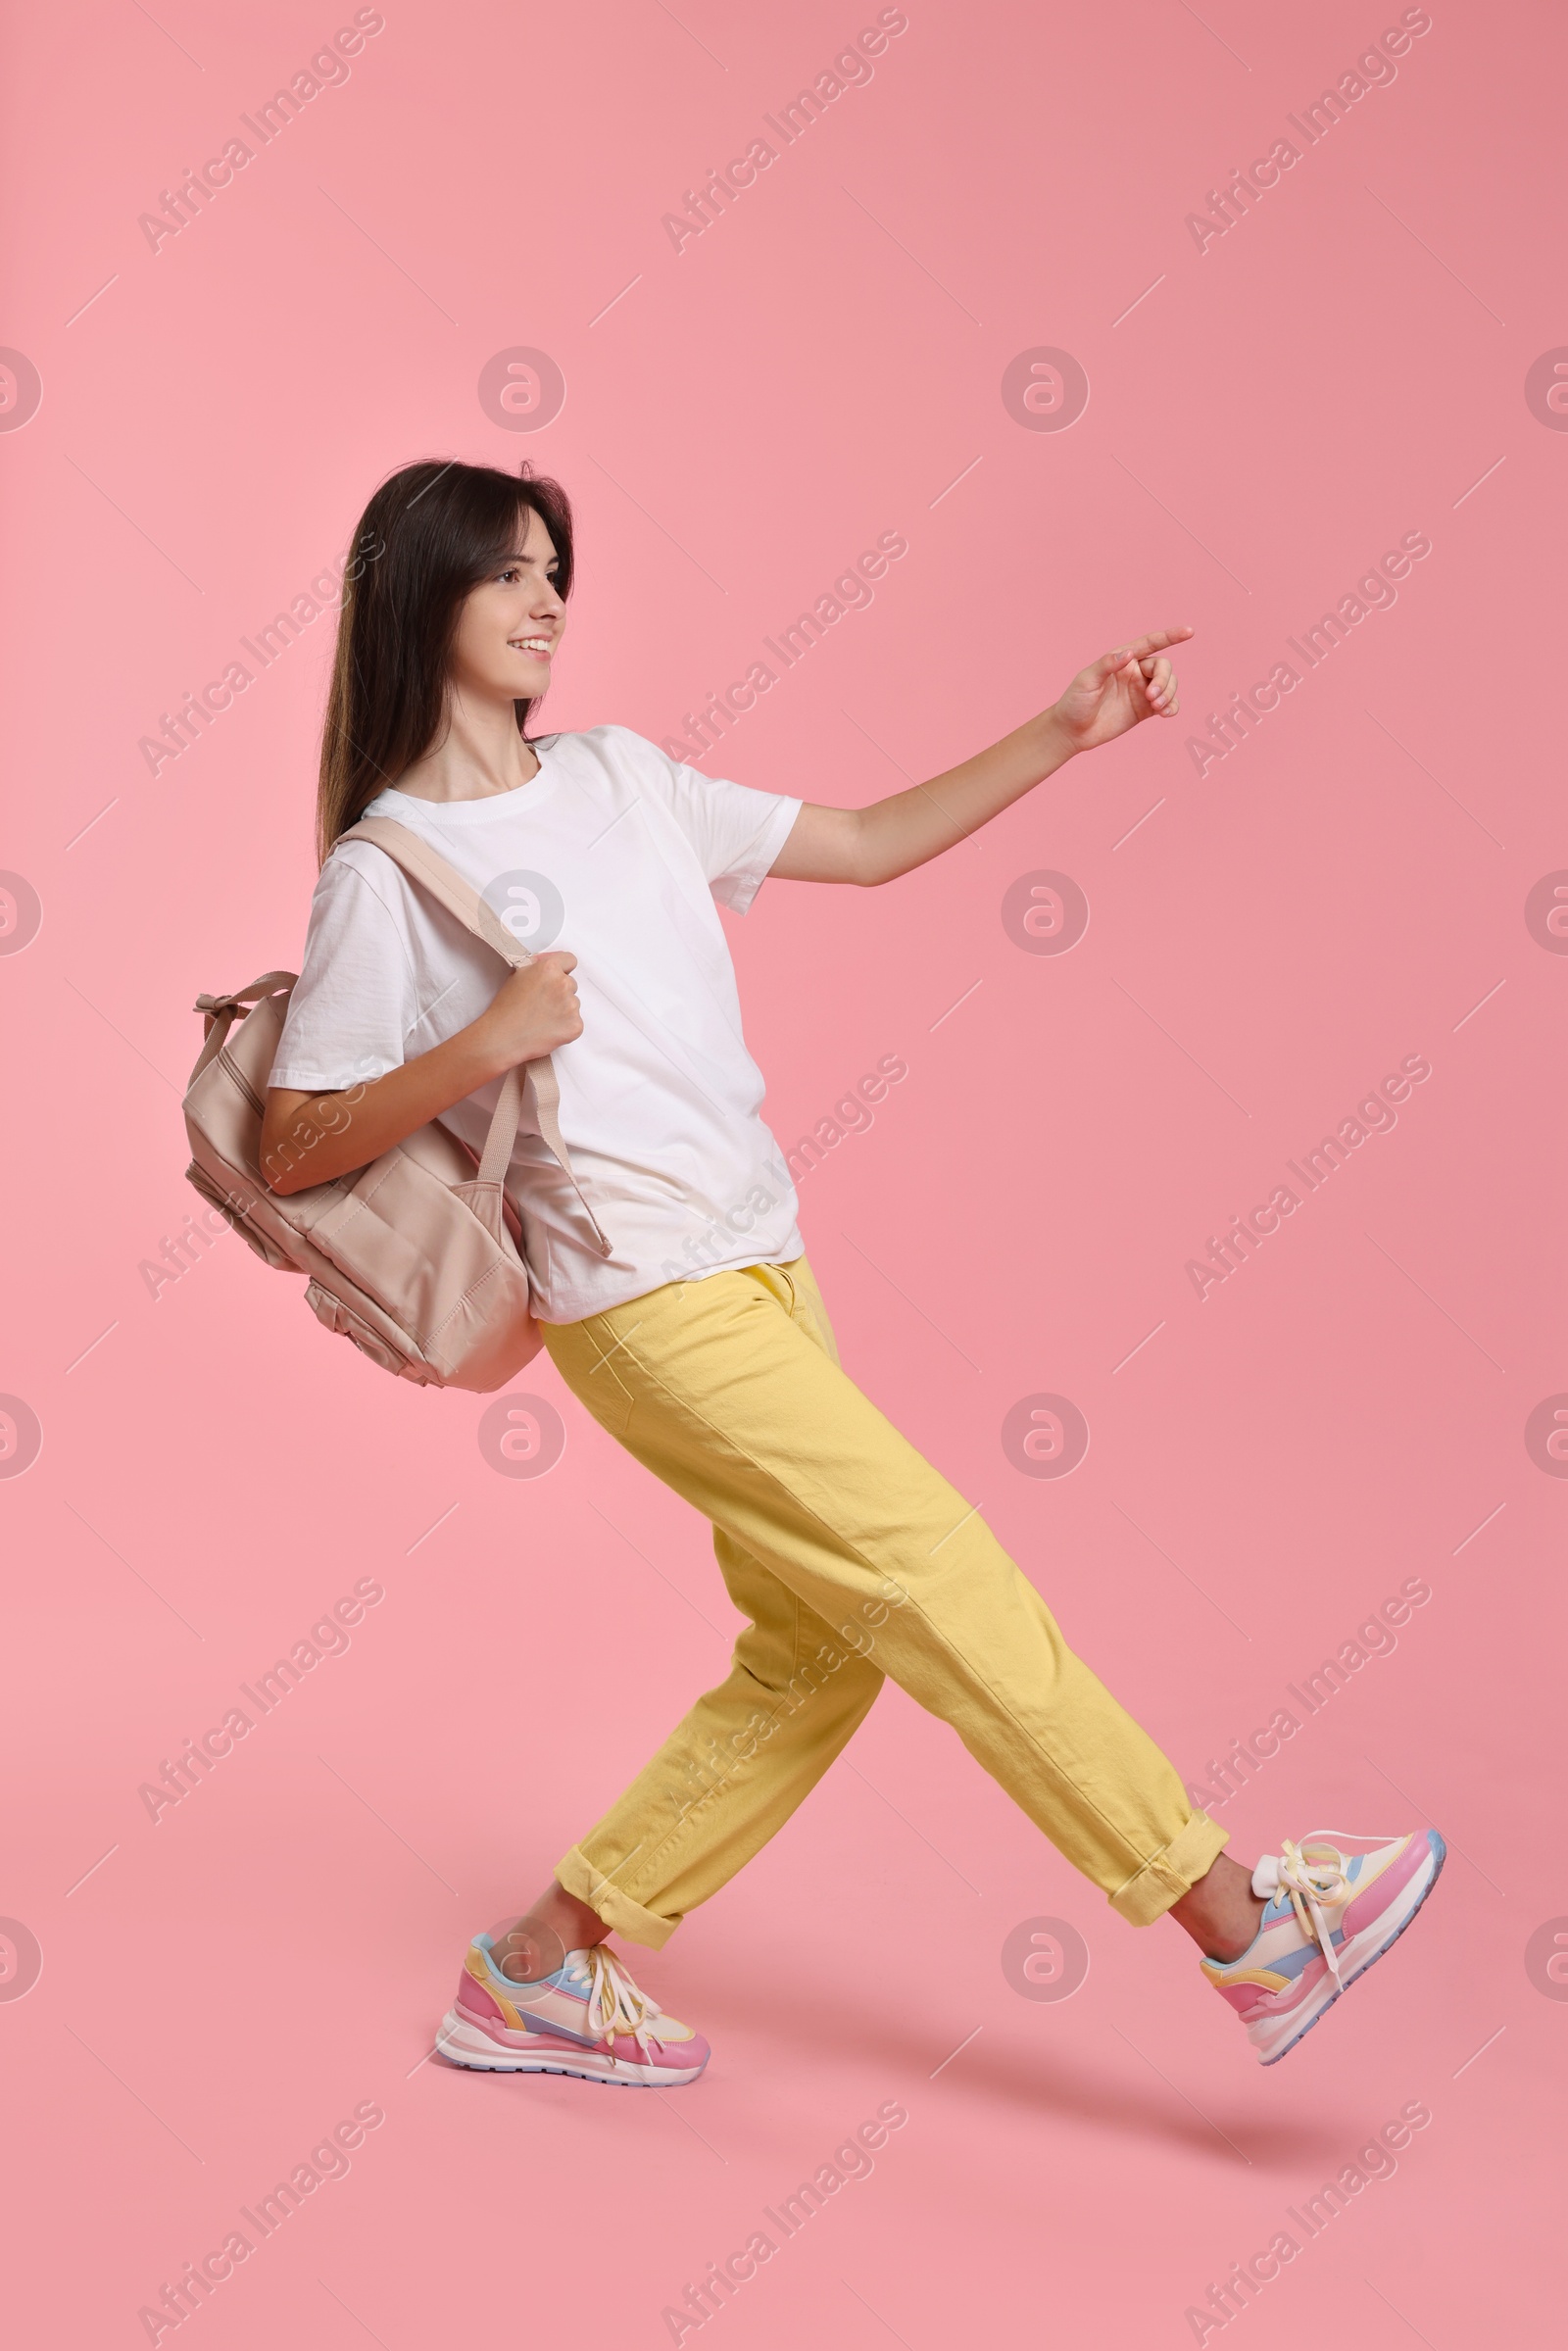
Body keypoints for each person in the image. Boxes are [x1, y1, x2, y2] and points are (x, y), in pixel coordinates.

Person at [262, 460, 1444, 2084]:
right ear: (421, 598)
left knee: (819, 1647)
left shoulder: (619, 774)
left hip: (760, 1258)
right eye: (508, 575)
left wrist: (1063, 730)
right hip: (634, 1298)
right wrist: (483, 1043)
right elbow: (293, 1142)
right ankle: (1242, 1923)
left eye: (557, 573)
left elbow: (873, 842)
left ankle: (537, 1965)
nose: (548, 602)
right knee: (940, 1572)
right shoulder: (383, 872)